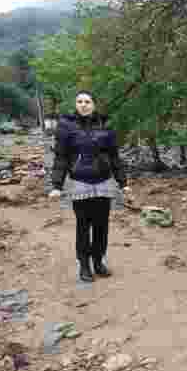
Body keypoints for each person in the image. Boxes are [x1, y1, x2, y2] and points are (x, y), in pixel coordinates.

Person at [48, 91, 128, 282]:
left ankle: (98, 262)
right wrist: (57, 185)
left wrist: (122, 181)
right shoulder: (67, 126)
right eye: (80, 101)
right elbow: (61, 157)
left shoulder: (106, 125)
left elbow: (114, 156)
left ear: (94, 104)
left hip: (103, 182)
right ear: (75, 104)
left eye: (87, 101)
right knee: (83, 226)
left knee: (102, 226)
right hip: (79, 182)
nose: (83, 105)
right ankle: (84, 266)